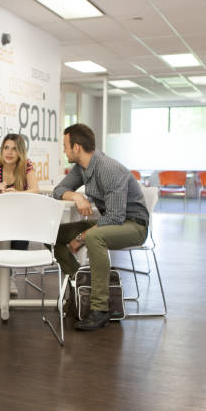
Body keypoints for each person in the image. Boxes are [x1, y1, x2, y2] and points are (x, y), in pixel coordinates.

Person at [52, 123, 149, 331]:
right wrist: (76, 195)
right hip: (113, 221)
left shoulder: (108, 169)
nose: (64, 150)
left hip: (134, 225)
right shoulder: (82, 168)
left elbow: (115, 216)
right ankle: (81, 285)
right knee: (55, 235)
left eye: (65, 146)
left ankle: (100, 309)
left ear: (76, 147)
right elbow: (58, 190)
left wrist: (80, 238)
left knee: (94, 237)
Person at [0, 133, 39, 296]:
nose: (9, 152)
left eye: (14, 149)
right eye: (6, 148)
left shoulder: (26, 165)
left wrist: (18, 192)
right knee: (1, 230)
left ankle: (1, 267)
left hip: (20, 216)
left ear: (20, 151)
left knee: (17, 244)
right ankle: (3, 269)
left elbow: (35, 189)